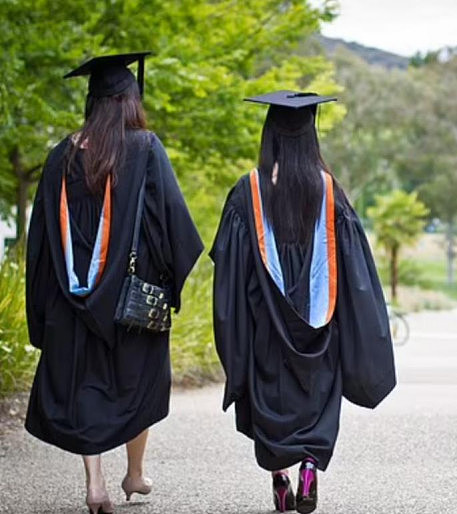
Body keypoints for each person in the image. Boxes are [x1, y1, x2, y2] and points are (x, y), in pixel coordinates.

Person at [25, 53, 203, 514]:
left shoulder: (59, 157)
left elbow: (40, 239)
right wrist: (168, 282)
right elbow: (175, 225)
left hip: (71, 299)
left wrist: (43, 307)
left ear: (92, 102)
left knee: (85, 385)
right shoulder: (143, 147)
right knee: (137, 382)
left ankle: (96, 482)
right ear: (129, 101)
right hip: (130, 300)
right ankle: (135, 473)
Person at [211, 90, 396, 514]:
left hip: (264, 332)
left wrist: (233, 329)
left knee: (269, 402)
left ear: (269, 134)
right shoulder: (330, 191)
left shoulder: (247, 192)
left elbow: (229, 271)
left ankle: (280, 479)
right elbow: (355, 273)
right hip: (320, 331)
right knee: (315, 400)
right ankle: (309, 466)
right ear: (311, 136)